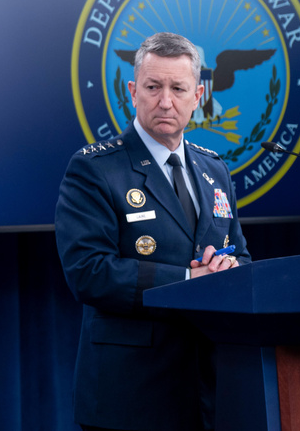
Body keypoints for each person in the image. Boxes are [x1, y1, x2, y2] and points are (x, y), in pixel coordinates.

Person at [55, 31, 250, 431]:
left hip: (209, 389)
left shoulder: (215, 169)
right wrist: (187, 280)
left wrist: (227, 267)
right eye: (153, 87)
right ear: (133, 91)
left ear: (198, 96)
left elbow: (240, 255)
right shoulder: (95, 169)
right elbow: (89, 272)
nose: (166, 101)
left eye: (178, 88)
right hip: (131, 393)